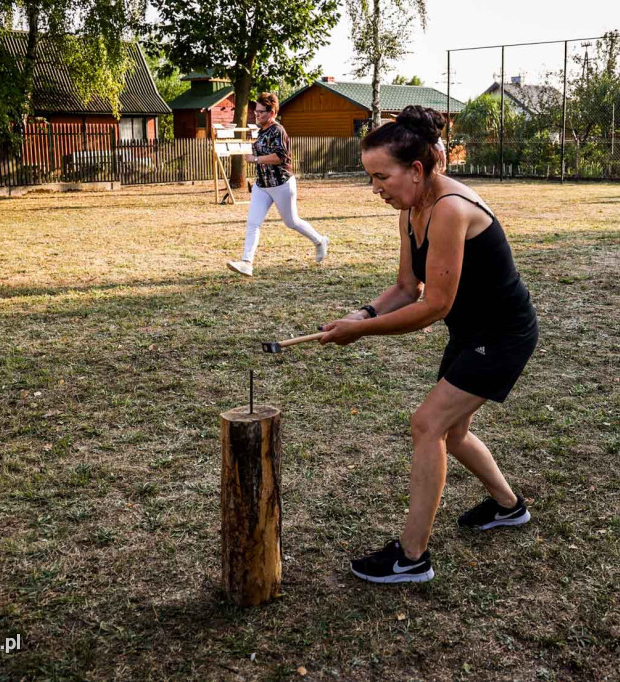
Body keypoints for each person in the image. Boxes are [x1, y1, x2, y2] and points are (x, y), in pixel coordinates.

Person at [318, 105, 538, 584]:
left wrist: (361, 333)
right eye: (371, 178)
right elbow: (405, 287)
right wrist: (364, 314)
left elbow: (434, 306)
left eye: (382, 177)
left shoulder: (450, 209)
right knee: (452, 433)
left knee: (427, 425)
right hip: (471, 332)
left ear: (416, 169)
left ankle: (411, 558)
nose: (375, 188)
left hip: (503, 335)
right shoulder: (412, 208)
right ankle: (509, 506)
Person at [226, 92, 329, 277]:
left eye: (261, 112)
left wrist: (255, 158)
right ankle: (246, 262)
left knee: (291, 222)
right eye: (256, 111)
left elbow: (280, 157)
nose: (257, 115)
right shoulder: (261, 131)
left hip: (281, 184)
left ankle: (319, 240)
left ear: (272, 112)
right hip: (262, 185)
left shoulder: (278, 130)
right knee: (253, 223)